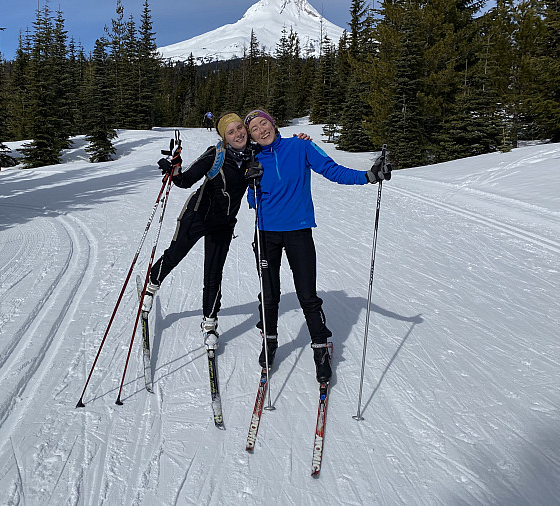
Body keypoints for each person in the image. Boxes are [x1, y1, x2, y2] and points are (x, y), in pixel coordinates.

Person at [244, 109, 391, 383]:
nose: (261, 130)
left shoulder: (300, 146)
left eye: (264, 123)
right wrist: (251, 183)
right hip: (265, 234)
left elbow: (332, 170)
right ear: (251, 135)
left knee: (307, 295)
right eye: (254, 128)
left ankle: (320, 348)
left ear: (274, 123)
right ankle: (270, 339)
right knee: (269, 294)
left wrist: (369, 177)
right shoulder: (252, 159)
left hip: (298, 231)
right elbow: (252, 203)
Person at [142, 112, 253, 349]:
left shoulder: (254, 154)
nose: (237, 134)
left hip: (223, 225)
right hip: (197, 216)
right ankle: (152, 283)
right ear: (224, 137)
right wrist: (173, 170)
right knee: (174, 256)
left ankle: (210, 323)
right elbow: (186, 180)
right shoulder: (217, 155)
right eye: (230, 131)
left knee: (214, 274)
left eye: (239, 128)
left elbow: (276, 146)